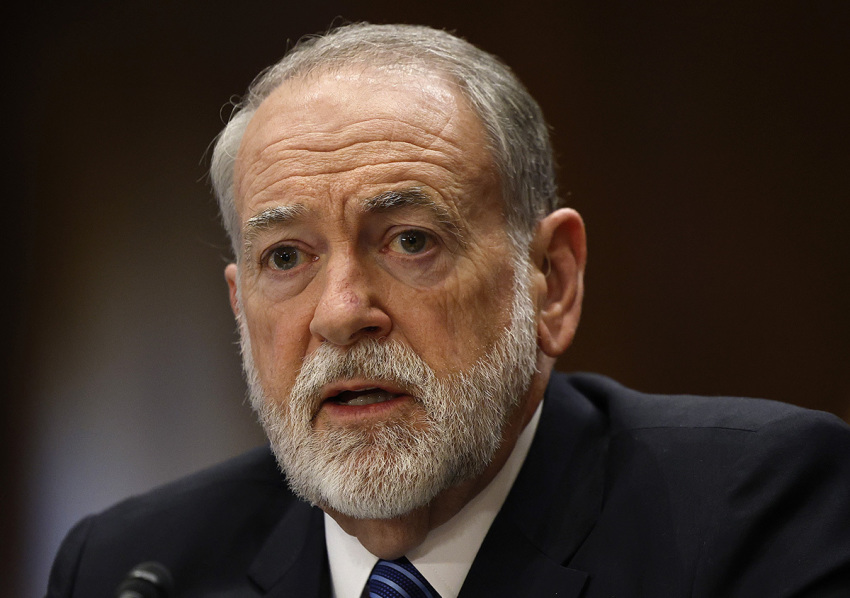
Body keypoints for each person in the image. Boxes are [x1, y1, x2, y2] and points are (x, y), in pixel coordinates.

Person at [46, 23, 850, 598]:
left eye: (409, 241)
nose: (340, 314)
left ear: (552, 280)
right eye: (286, 258)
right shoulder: (133, 568)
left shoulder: (755, 513)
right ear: (239, 304)